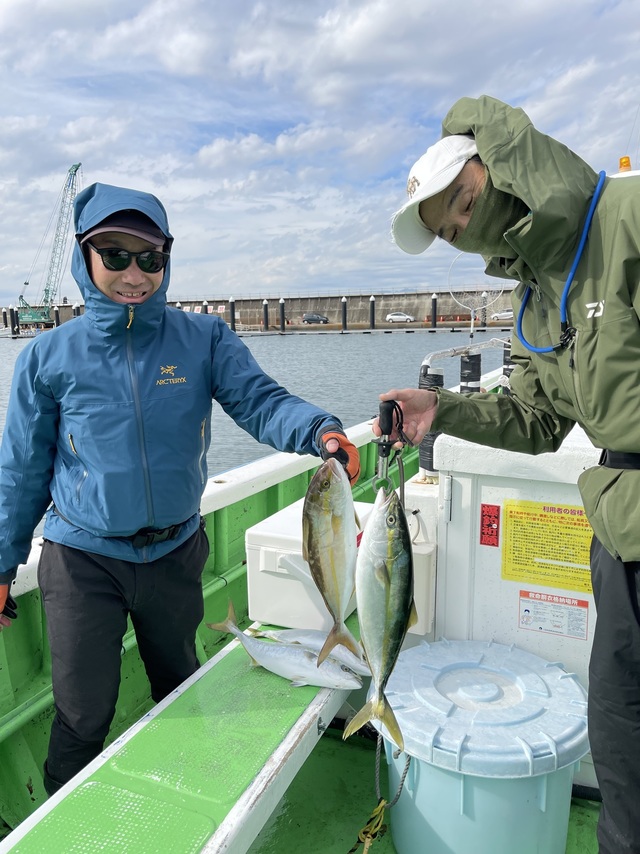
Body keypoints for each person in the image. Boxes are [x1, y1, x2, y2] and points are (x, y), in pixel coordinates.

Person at [0, 181, 360, 796]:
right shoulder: (47, 356)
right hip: (83, 561)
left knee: (181, 688)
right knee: (83, 716)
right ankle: (58, 822)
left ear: (167, 260)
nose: (134, 273)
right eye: (115, 255)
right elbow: (21, 471)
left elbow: (260, 402)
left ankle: (192, 800)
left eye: (150, 257)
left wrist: (320, 430)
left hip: (175, 553)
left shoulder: (204, 339)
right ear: (85, 258)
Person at [377, 95, 640, 854]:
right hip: (619, 534)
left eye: (460, 204)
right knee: (623, 747)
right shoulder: (533, 305)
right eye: (448, 230)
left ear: (499, 165)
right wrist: (442, 410)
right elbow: (534, 420)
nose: (462, 229)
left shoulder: (624, 215)